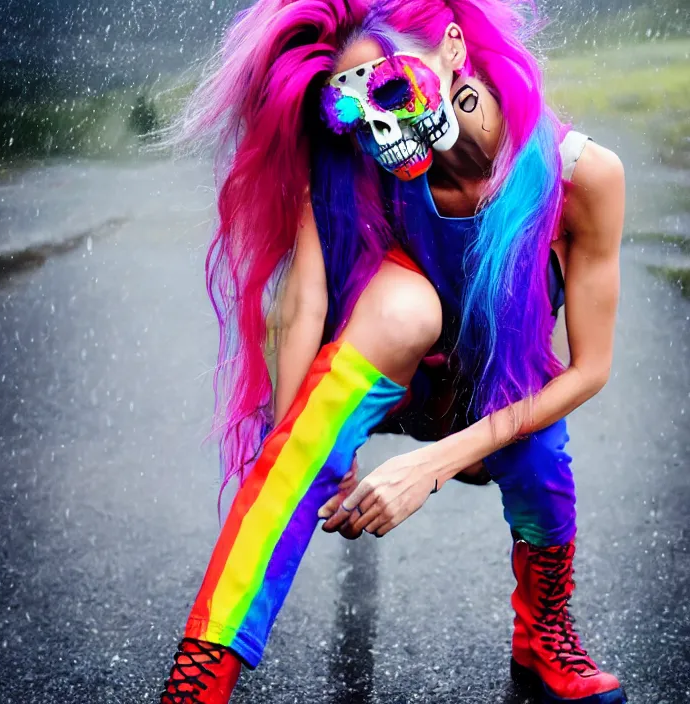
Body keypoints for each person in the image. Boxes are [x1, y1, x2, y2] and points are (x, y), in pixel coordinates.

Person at [160, 0, 627, 701]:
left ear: (452, 47)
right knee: (397, 316)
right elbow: (304, 303)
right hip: (392, 375)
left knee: (541, 458)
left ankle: (544, 631)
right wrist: (302, 447)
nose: (377, 128)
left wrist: (431, 466)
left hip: (495, 393)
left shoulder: (578, 177)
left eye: (389, 89)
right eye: (351, 110)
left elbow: (591, 369)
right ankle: (199, 673)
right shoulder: (354, 164)